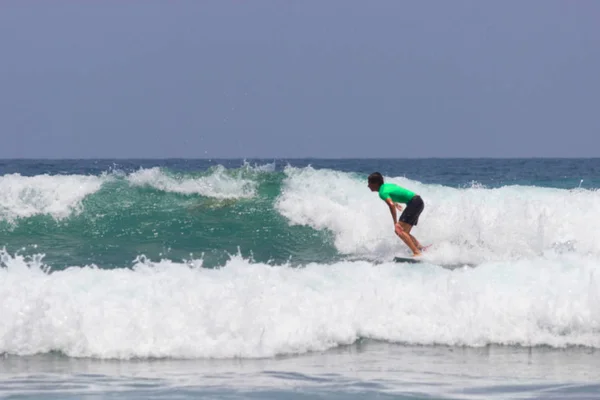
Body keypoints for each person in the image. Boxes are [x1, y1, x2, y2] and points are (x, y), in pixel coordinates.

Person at [367, 172, 426, 257]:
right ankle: (421, 248)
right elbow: (396, 191)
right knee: (405, 232)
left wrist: (395, 223)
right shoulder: (386, 186)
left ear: (375, 183)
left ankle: (416, 252)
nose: (368, 186)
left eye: (369, 183)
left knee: (399, 230)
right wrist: (395, 203)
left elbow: (390, 205)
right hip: (418, 202)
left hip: (414, 203)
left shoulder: (382, 192)